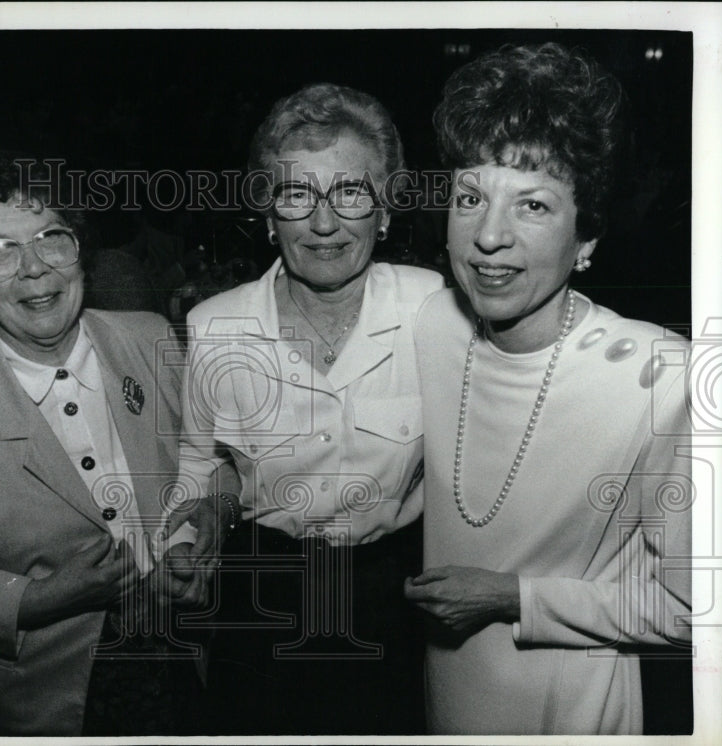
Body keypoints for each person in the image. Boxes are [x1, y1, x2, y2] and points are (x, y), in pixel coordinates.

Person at [405, 43, 692, 735]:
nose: (489, 236)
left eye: (532, 205)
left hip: (571, 714)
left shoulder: (658, 376)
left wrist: (515, 598)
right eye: (470, 198)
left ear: (586, 236)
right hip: (444, 699)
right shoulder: (428, 328)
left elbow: (698, 610)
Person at [0, 156, 204, 736]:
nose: (33, 269)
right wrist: (35, 598)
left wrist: (198, 536)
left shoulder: (152, 337)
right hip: (28, 699)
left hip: (184, 660)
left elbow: (210, 470)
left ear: (81, 249)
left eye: (52, 237)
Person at [168, 83, 444, 734]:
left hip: (395, 598)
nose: (324, 224)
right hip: (262, 598)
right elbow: (199, 459)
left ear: (384, 211)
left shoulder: (434, 311)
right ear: (268, 215)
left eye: (350, 192)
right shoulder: (215, 326)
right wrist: (195, 524)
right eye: (297, 195)